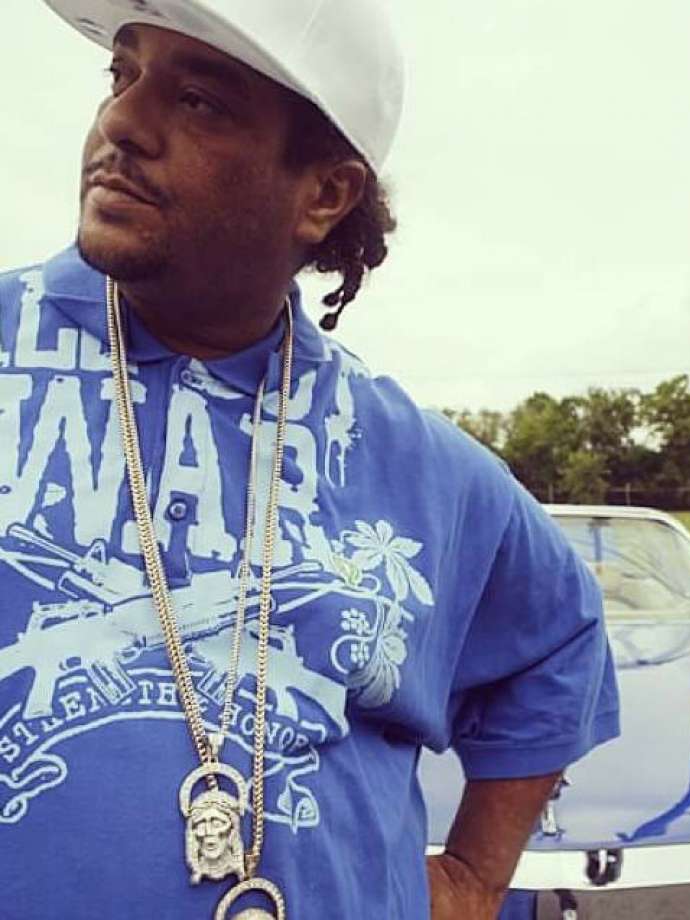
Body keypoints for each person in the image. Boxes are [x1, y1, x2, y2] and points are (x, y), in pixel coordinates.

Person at [0, 2, 619, 918]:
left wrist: (473, 878)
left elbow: (559, 640)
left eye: (199, 101)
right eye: (121, 75)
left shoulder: (414, 460)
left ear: (325, 194)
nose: (122, 122)